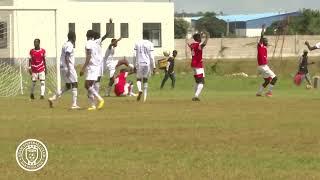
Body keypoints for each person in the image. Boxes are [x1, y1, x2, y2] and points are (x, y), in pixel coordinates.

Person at [48, 31, 80, 109]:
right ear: (74, 38)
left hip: (62, 67)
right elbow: (67, 56)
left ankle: (53, 98)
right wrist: (69, 69)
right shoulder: (70, 45)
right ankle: (74, 104)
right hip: (68, 67)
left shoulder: (65, 44)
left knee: (68, 86)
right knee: (75, 83)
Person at [80, 30, 104, 110]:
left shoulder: (88, 44)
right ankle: (93, 106)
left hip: (92, 67)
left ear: (87, 35)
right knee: (90, 87)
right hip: (96, 66)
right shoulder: (95, 44)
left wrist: (83, 68)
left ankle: (100, 99)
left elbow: (89, 56)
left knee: (87, 85)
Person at [256, 25, 278, 97]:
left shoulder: (264, 48)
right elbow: (261, 36)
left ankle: (259, 93)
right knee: (275, 78)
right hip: (263, 66)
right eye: (266, 41)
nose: (267, 42)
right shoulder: (260, 46)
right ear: (262, 42)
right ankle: (269, 92)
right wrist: (262, 29)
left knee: (267, 81)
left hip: (261, 66)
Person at [134, 32, 156, 102]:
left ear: (142, 35)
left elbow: (134, 55)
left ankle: (140, 90)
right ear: (149, 36)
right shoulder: (150, 44)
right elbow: (152, 57)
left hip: (139, 63)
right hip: (147, 63)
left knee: (138, 79)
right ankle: (144, 99)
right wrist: (154, 67)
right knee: (146, 79)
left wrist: (134, 65)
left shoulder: (137, 43)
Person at [93, 19, 113, 94]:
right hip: (99, 62)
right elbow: (107, 34)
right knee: (98, 78)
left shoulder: (91, 43)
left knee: (94, 78)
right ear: (97, 37)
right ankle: (95, 94)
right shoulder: (98, 41)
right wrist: (110, 24)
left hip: (94, 62)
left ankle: (93, 93)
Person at [187, 32, 209, 101]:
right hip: (198, 65)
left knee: (197, 82)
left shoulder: (192, 45)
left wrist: (199, 35)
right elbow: (203, 44)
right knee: (201, 82)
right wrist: (207, 37)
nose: (201, 38)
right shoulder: (198, 45)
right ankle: (196, 96)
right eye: (200, 37)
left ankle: (195, 96)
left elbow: (190, 45)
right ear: (198, 39)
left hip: (193, 65)